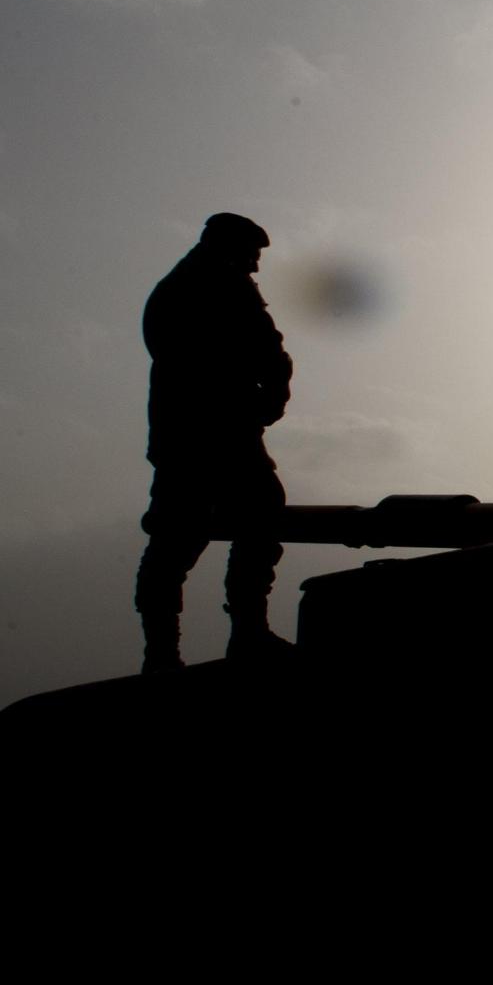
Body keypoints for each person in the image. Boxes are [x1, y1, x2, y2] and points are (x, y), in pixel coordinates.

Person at [131, 212, 294, 675]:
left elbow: (267, 349)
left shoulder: (202, 287)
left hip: (205, 437)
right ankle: (186, 647)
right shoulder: (203, 289)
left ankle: (225, 637)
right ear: (229, 247)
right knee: (186, 541)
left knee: (230, 527)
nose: (256, 267)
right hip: (205, 439)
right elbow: (260, 350)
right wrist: (266, 391)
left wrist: (271, 390)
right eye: (252, 255)